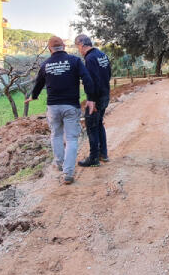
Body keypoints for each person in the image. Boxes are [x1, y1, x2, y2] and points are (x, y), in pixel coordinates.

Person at [26, 36, 95, 184]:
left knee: (56, 135)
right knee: (71, 139)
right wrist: (91, 98)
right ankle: (68, 173)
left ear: (50, 49)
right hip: (71, 106)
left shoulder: (45, 64)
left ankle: (59, 163)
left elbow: (39, 83)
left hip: (53, 107)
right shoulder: (75, 61)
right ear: (63, 46)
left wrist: (34, 96)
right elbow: (87, 78)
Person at [74, 34, 111, 166]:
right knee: (99, 123)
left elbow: (91, 81)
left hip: (96, 98)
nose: (78, 50)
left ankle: (94, 158)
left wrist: (91, 100)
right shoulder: (102, 55)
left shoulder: (90, 59)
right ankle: (103, 154)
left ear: (81, 45)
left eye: (77, 47)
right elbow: (108, 74)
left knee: (91, 126)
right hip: (105, 94)